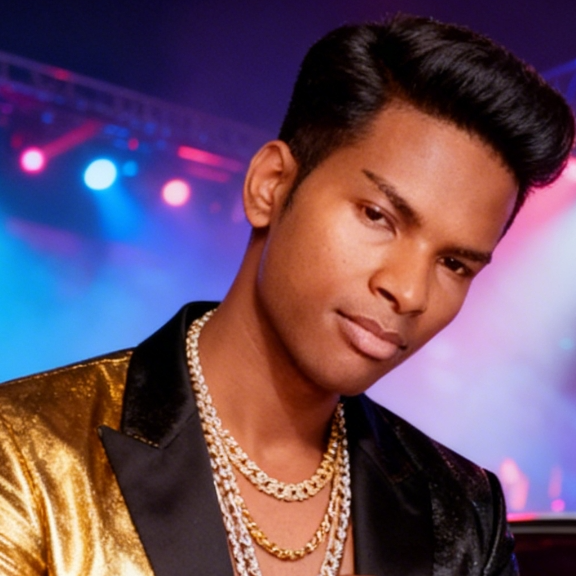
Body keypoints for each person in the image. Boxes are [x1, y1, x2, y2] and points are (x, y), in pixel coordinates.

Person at [0, 13, 573, 576]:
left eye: (453, 263)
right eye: (378, 216)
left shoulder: (462, 512)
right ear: (270, 186)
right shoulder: (26, 455)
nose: (407, 290)